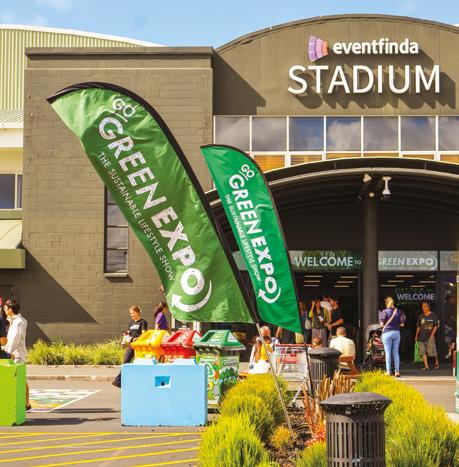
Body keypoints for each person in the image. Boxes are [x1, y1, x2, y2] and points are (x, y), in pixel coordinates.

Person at [3, 300, 31, 409]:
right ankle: (26, 403)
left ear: (10, 309)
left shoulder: (18, 322)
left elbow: (14, 341)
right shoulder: (16, 321)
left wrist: (6, 351)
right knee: (22, 380)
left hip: (16, 355)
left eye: (5, 308)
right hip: (17, 354)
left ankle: (22, 404)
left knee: (18, 381)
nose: (4, 310)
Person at [112, 306, 148, 388]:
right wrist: (126, 334)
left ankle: (139, 382)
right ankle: (118, 381)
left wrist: (137, 339)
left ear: (137, 312)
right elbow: (130, 333)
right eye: (131, 313)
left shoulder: (143, 322)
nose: (132, 315)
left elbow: (144, 335)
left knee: (139, 364)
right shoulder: (131, 323)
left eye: (133, 313)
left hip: (139, 347)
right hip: (131, 345)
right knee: (125, 362)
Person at [380, 296, 405, 377]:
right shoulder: (399, 312)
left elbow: (382, 325)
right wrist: (396, 324)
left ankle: (388, 371)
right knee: (395, 352)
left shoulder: (384, 312)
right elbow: (402, 324)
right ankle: (397, 371)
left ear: (386, 303)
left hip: (387, 333)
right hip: (396, 333)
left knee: (388, 353)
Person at [415, 301, 439, 370]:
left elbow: (436, 326)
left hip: (430, 336)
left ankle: (436, 362)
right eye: (422, 306)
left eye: (425, 306)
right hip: (422, 337)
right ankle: (426, 366)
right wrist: (416, 335)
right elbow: (418, 327)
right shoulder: (421, 316)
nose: (423, 308)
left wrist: (432, 335)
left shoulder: (433, 315)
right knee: (423, 352)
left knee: (433, 351)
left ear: (429, 307)